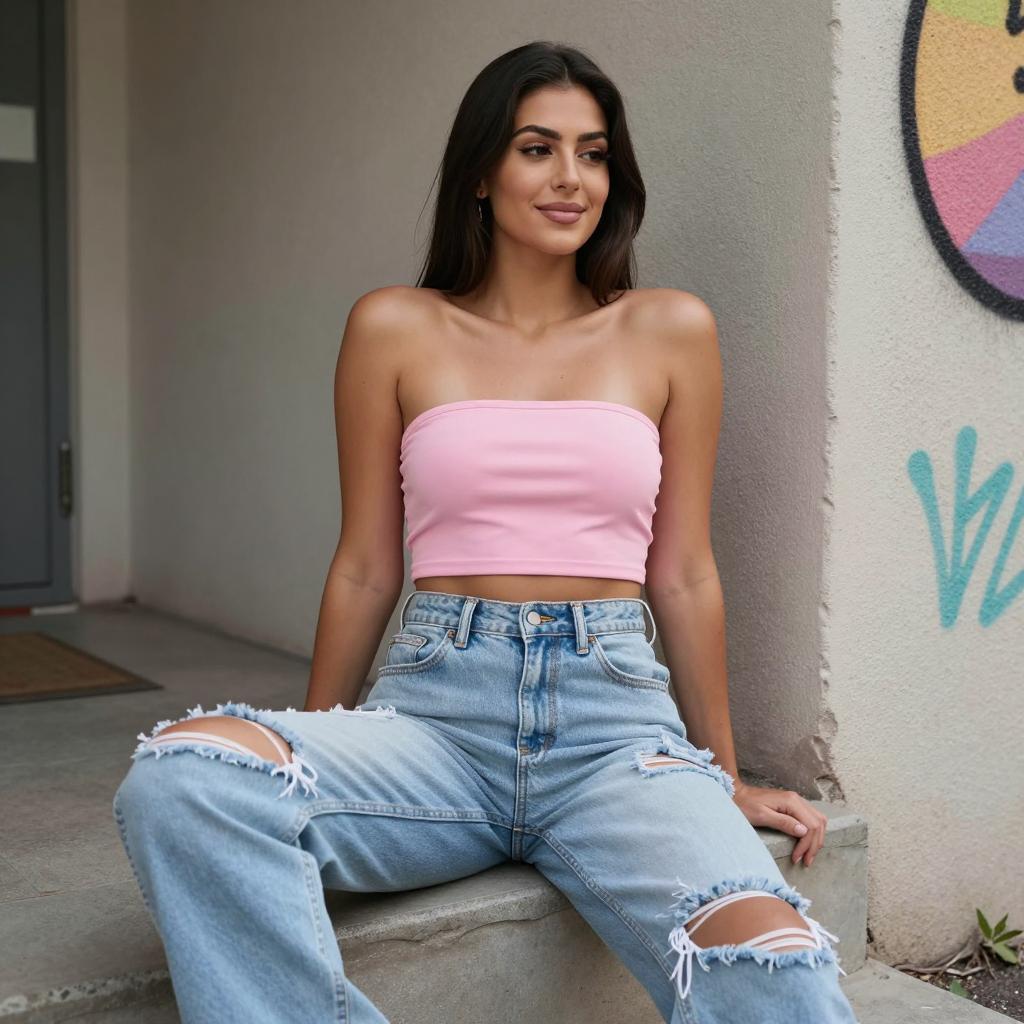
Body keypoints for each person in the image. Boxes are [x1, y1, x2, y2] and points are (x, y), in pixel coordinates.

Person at [112, 40, 860, 1024]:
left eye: (593, 153)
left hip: (618, 738)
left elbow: (681, 572)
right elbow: (367, 566)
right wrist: (311, 756)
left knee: (780, 968)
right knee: (183, 777)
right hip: (433, 721)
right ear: (480, 171)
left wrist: (720, 774)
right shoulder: (394, 327)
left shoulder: (669, 329)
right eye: (537, 148)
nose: (571, 178)